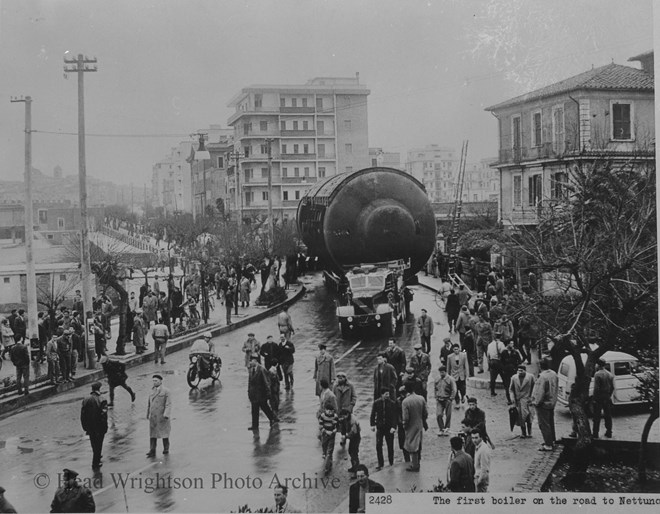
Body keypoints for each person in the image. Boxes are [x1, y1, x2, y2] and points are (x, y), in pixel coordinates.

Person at [532, 358, 558, 451]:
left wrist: (536, 402)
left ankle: (548, 444)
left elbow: (540, 392)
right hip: (552, 402)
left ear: (540, 366)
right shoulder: (553, 374)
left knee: (544, 424)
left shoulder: (542, 377)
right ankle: (552, 440)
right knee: (550, 422)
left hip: (544, 404)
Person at [80, 382, 108, 469]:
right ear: (99, 389)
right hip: (99, 427)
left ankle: (97, 456)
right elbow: (104, 415)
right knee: (99, 444)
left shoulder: (85, 399)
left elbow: (82, 415)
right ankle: (96, 462)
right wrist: (105, 427)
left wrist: (85, 427)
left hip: (90, 427)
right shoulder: (102, 399)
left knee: (93, 443)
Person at [401, 381, 428, 472]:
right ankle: (417, 462)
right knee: (418, 443)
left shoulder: (405, 401)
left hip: (411, 425)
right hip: (419, 423)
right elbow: (425, 413)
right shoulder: (421, 398)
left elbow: (405, 417)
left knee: (412, 445)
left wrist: (404, 425)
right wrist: (423, 421)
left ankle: (415, 465)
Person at [247, 354, 278, 430]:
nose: (250, 362)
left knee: (265, 408)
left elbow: (266, 382)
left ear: (255, 361)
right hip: (253, 394)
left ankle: (272, 419)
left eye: (251, 361)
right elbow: (249, 382)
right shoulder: (251, 369)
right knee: (254, 410)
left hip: (261, 394)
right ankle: (255, 426)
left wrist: (268, 393)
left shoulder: (261, 369)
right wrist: (249, 391)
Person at [370, 388, 398, 470]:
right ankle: (380, 463)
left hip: (389, 428)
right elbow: (372, 414)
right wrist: (372, 425)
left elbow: (394, 416)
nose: (388, 396)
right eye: (386, 394)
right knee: (378, 445)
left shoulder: (392, 403)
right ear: (382, 395)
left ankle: (391, 462)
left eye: (388, 394)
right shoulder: (376, 403)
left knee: (390, 445)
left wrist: (394, 427)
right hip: (380, 427)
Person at [146, 374, 172, 457]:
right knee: (153, 434)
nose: (154, 382)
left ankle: (166, 449)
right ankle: (152, 450)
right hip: (153, 416)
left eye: (156, 381)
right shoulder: (151, 391)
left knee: (164, 433)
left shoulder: (166, 391)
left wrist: (166, 414)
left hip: (162, 416)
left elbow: (168, 404)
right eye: (153, 381)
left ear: (160, 381)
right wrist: (147, 414)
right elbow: (149, 404)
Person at [509, 364, 535, 438]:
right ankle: (523, 433)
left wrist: (532, 397)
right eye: (518, 370)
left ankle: (530, 432)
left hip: (527, 400)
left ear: (525, 371)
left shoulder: (530, 377)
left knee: (529, 417)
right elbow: (511, 389)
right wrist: (512, 398)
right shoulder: (514, 378)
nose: (520, 372)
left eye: (521, 370)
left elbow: (534, 387)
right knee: (521, 417)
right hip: (518, 401)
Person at [592, 359, 614, 439]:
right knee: (608, 415)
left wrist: (594, 398)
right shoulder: (610, 374)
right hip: (607, 396)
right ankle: (609, 432)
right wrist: (609, 395)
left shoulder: (597, 374)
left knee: (596, 416)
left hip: (599, 397)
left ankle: (595, 433)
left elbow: (596, 388)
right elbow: (612, 387)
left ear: (598, 365)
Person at [333, 372, 357, 445]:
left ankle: (350, 436)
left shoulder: (350, 386)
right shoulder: (335, 386)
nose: (340, 379)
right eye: (339, 378)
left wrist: (350, 406)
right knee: (341, 425)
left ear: (345, 378)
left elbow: (354, 397)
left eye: (342, 377)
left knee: (349, 424)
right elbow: (333, 397)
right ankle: (343, 437)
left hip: (347, 409)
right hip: (339, 409)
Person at [434, 365, 457, 436]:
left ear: (446, 372)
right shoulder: (437, 379)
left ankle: (447, 429)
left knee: (448, 415)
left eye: (443, 372)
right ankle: (441, 429)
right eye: (440, 372)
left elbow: (454, 390)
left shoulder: (450, 379)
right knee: (439, 415)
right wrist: (436, 396)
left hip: (447, 399)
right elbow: (435, 388)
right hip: (439, 399)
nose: (441, 374)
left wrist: (451, 398)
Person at [318, 403, 338, 475]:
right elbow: (320, 426)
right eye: (328, 411)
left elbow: (337, 426)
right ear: (325, 410)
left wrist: (334, 431)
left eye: (331, 411)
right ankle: (328, 459)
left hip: (332, 435)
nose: (330, 412)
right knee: (324, 448)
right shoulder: (322, 416)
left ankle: (327, 468)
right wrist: (325, 431)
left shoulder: (335, 416)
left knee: (329, 451)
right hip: (325, 435)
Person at [500, 339, 521, 404]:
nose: (512, 345)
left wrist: (516, 368)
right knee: (507, 386)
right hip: (506, 372)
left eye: (513, 343)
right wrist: (503, 369)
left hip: (513, 371)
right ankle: (509, 399)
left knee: (515, 385)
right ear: (508, 344)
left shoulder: (515, 352)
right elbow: (501, 362)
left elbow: (519, 360)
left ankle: (515, 399)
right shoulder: (504, 352)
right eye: (511, 343)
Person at [486, 331, 507, 398]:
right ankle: (507, 391)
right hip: (498, 362)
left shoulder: (490, 344)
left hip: (492, 362)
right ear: (500, 337)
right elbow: (503, 353)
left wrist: (489, 365)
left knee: (492, 378)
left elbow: (488, 355)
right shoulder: (501, 344)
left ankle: (492, 392)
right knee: (504, 377)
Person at [342, 408, 362, 476]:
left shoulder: (352, 420)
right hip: (353, 438)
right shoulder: (348, 418)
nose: (343, 417)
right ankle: (354, 467)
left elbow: (354, 431)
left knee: (354, 454)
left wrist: (346, 436)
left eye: (344, 416)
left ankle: (356, 470)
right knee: (350, 451)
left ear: (347, 414)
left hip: (356, 438)